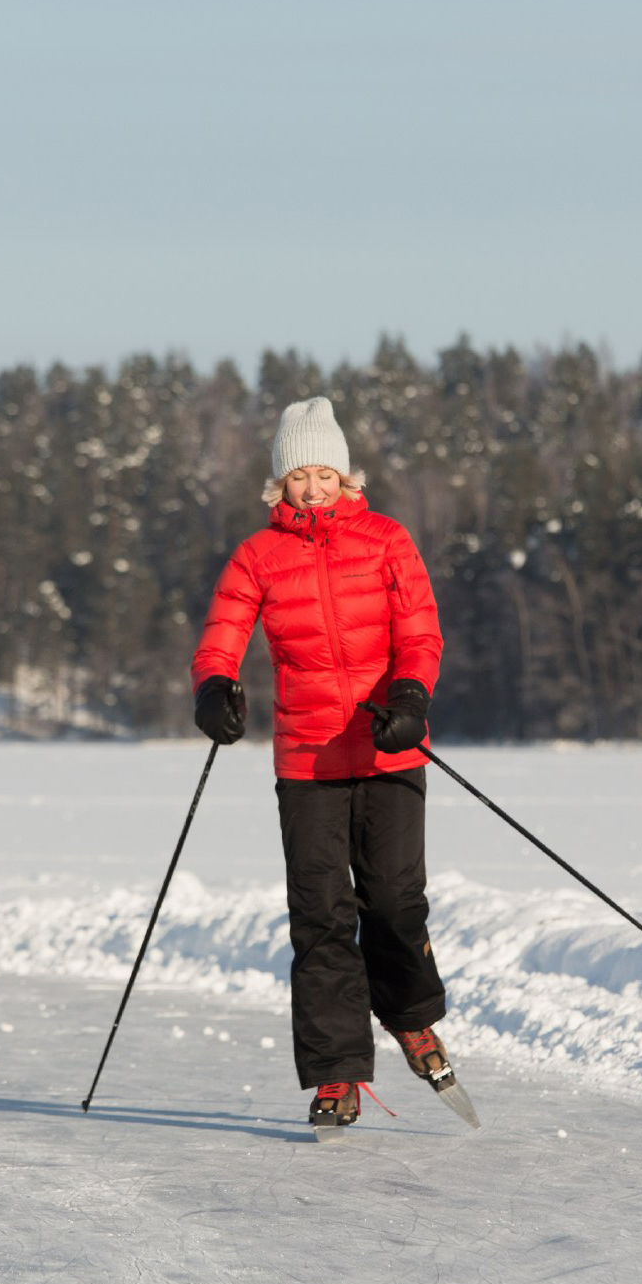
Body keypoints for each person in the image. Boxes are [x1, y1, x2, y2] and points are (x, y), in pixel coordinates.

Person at [191, 396, 459, 1131]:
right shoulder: (257, 555)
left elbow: (420, 631)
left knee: (395, 902)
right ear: (278, 483)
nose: (312, 486)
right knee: (319, 919)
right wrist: (213, 686)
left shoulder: (385, 541)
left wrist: (409, 693)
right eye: (298, 475)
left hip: (387, 745)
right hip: (306, 759)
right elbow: (222, 633)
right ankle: (337, 1071)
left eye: (323, 472)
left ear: (345, 476)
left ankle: (410, 1018)